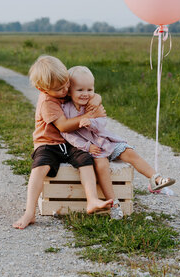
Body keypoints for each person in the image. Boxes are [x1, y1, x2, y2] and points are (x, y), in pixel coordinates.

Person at [60, 66, 176, 219]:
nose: (86, 94)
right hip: (92, 148)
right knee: (102, 166)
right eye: (80, 90)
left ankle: (155, 178)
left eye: (90, 89)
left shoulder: (93, 104)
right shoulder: (65, 108)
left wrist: (92, 123)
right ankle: (113, 203)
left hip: (106, 141)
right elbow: (67, 133)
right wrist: (87, 146)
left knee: (129, 152)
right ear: (69, 91)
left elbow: (102, 122)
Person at [13, 56, 113, 229]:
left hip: (69, 142)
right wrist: (88, 116)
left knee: (85, 160)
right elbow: (64, 126)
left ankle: (92, 200)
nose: (66, 90)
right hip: (48, 143)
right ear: (41, 89)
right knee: (40, 167)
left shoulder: (62, 87)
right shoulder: (47, 101)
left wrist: (97, 98)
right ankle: (30, 212)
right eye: (60, 88)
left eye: (67, 84)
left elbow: (86, 92)